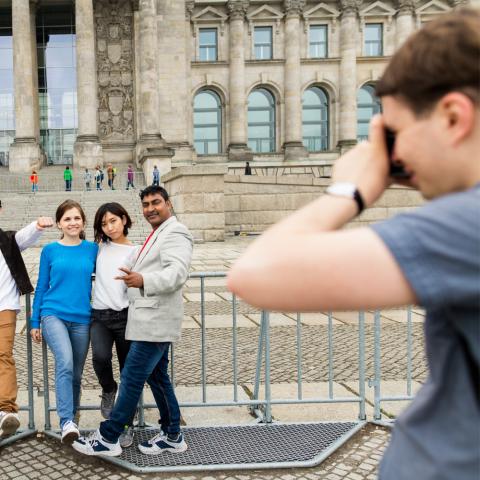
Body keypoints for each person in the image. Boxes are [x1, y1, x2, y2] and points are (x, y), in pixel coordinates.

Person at [227, 9, 480, 480]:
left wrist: (349, 191)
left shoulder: (467, 226)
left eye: (394, 133)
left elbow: (255, 274)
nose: (392, 154)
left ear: (452, 116)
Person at [73, 185, 193, 457]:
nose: (151, 208)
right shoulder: (158, 233)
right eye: (146, 204)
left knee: (131, 377)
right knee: (159, 378)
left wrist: (143, 280)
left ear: (169, 203)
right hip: (149, 320)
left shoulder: (176, 232)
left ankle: (109, 436)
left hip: (155, 322)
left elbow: (177, 274)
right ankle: (173, 434)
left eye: (156, 202)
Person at [30, 200, 98, 444]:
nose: (72, 222)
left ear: (83, 222)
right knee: (66, 363)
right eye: (67, 219)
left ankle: (73, 420)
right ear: (59, 223)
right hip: (53, 314)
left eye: (76, 218)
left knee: (77, 374)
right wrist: (34, 320)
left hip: (82, 318)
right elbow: (41, 287)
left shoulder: (92, 249)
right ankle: (66, 420)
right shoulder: (50, 250)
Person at [0, 200, 53, 438]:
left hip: (4, 308)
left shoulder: (7, 240)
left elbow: (24, 237)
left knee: (3, 355)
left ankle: (5, 410)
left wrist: (38, 225)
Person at [91, 202, 138, 448]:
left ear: (124, 219)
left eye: (113, 221)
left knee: (129, 373)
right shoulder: (98, 248)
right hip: (99, 315)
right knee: (99, 358)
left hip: (125, 316)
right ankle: (108, 389)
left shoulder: (136, 252)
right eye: (104, 223)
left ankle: (126, 423)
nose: (109, 227)